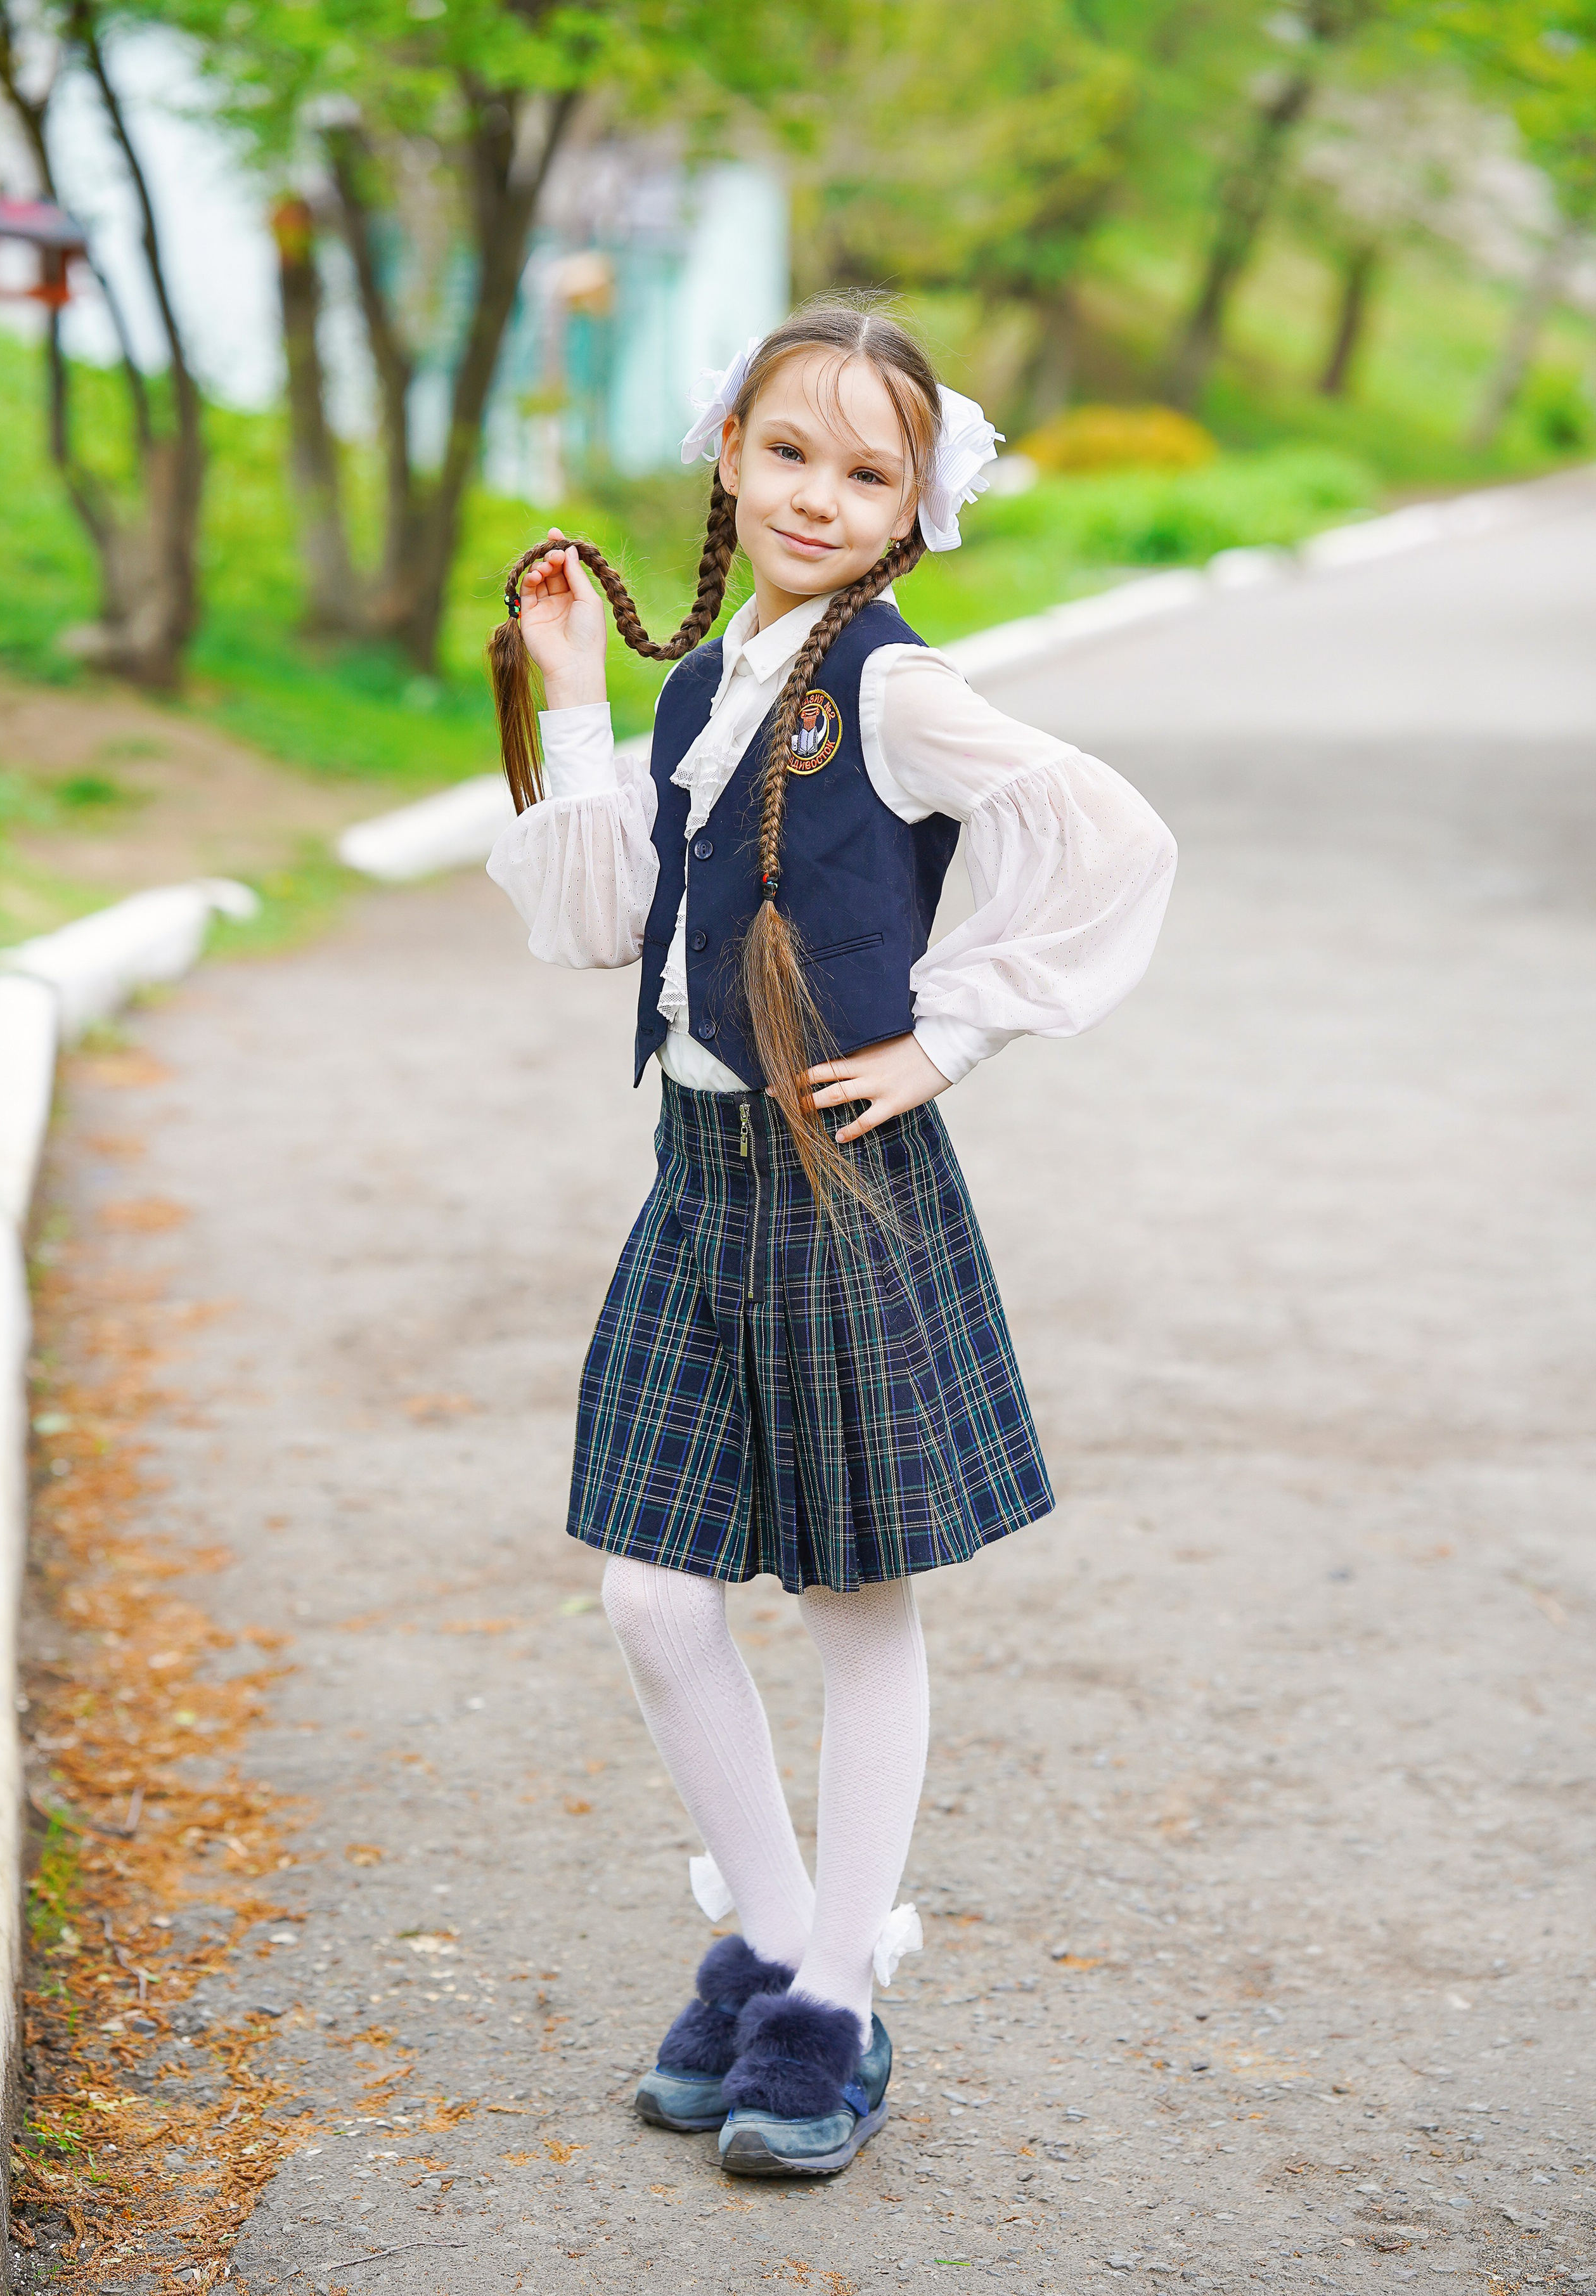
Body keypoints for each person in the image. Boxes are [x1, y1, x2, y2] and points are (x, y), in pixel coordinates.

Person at [485, 299, 1176, 2180]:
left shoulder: (891, 684)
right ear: (727, 451)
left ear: (912, 507)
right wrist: (568, 681)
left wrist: (946, 1034)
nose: (819, 492)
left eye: (868, 470)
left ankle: (830, 2021)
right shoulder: (710, 678)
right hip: (698, 1183)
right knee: (648, 1591)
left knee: (858, 1599)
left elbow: (1099, 830)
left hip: (843, 1187)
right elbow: (607, 919)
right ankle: (790, 1946)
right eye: (790, 451)